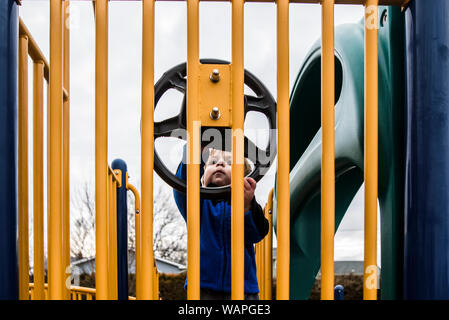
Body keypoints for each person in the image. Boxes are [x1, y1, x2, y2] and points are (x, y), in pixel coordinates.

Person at [173, 148, 269, 300]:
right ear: (202, 177)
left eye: (230, 162)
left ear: (244, 177)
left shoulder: (244, 204)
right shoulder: (198, 204)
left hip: (244, 290)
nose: (220, 163)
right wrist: (197, 149)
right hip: (203, 288)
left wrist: (247, 206)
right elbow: (183, 185)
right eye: (212, 162)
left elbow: (257, 233)